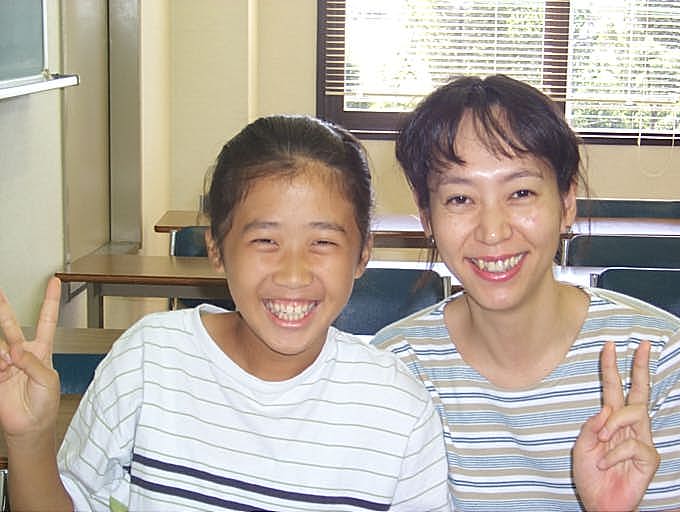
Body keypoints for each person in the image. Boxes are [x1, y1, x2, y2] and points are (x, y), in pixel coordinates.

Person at [0, 115, 451, 511]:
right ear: (216, 247)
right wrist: (29, 440)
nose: (294, 274)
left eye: (323, 242)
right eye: (265, 241)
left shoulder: (398, 409)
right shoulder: (150, 360)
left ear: (362, 254)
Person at [371, 75, 680, 511]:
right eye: (460, 199)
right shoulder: (396, 368)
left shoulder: (655, 356)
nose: (492, 231)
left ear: (566, 203)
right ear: (426, 217)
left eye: (521, 193)